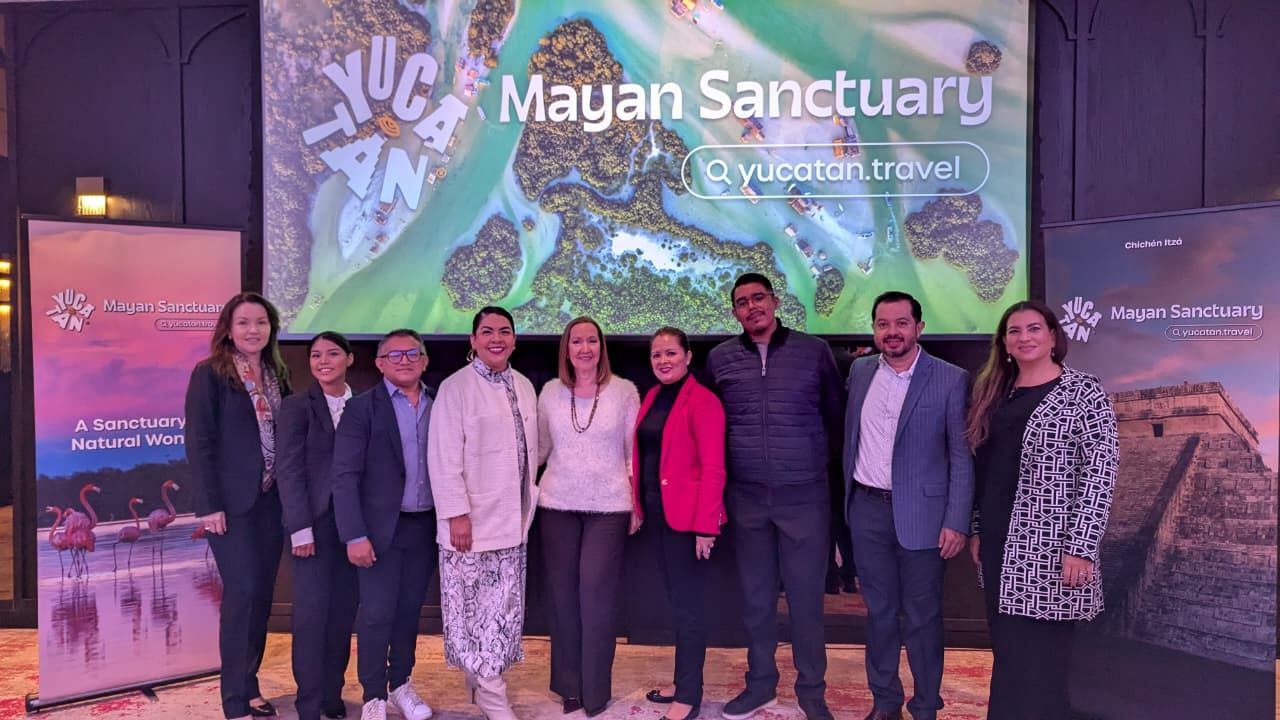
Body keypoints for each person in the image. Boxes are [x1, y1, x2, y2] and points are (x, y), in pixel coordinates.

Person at [965, 300, 1118, 720]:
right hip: (999, 542)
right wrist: (977, 527)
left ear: (1053, 336)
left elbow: (1100, 473)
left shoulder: (1084, 391)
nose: (1024, 337)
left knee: (1044, 660)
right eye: (1014, 331)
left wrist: (1081, 547)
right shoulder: (993, 394)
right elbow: (984, 469)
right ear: (1004, 343)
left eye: (1034, 328)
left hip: (1052, 546)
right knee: (1009, 654)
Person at [706, 273, 844, 720]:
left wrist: (811, 466)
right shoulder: (720, 359)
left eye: (758, 298)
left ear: (775, 301)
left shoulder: (814, 351)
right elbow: (713, 427)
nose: (752, 307)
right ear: (734, 312)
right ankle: (760, 685)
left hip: (804, 497)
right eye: (742, 302)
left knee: (806, 602)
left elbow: (836, 418)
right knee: (756, 600)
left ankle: (811, 692)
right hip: (746, 498)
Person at [842, 291, 974, 720]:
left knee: (922, 617)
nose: (892, 332)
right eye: (883, 324)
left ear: (919, 327)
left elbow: (961, 456)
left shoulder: (950, 379)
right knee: (879, 613)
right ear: (874, 330)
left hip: (925, 517)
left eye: (901, 323)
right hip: (867, 511)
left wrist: (957, 520)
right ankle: (885, 701)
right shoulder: (860, 371)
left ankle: (925, 706)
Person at [427, 307, 539, 720]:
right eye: (487, 331)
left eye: (505, 331)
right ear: (473, 340)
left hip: (512, 522)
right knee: (474, 615)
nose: (497, 338)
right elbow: (442, 455)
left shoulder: (523, 385)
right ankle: (493, 695)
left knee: (502, 613)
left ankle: (483, 681)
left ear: (514, 339)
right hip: (470, 525)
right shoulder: (456, 387)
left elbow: (531, 449)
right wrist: (456, 512)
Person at [185, 291, 291, 720]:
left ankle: (249, 685)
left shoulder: (277, 372)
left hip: (272, 501)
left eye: (261, 322)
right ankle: (233, 700)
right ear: (228, 329)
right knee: (242, 593)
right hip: (229, 506)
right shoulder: (210, 373)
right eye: (244, 322)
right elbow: (199, 442)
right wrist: (209, 504)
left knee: (261, 597)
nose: (253, 330)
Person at [536, 316, 640, 716]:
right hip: (557, 506)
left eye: (591, 341)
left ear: (601, 347)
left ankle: (595, 691)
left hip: (608, 508)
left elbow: (632, 455)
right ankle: (569, 688)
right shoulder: (550, 392)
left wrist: (635, 502)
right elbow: (539, 450)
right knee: (562, 599)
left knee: (596, 599)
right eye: (576, 341)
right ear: (566, 348)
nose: (584, 348)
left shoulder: (624, 392)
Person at [331, 329, 436, 720]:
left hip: (425, 526)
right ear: (379, 363)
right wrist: (354, 534)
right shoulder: (361, 409)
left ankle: (401, 684)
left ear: (425, 360)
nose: (404, 360)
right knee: (376, 613)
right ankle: (373, 695)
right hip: (377, 531)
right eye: (394, 355)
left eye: (412, 353)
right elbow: (344, 476)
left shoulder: (439, 403)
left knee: (410, 610)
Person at [634, 327, 727, 720]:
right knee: (675, 605)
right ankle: (681, 680)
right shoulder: (653, 396)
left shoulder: (703, 401)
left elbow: (714, 468)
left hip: (689, 524)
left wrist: (706, 526)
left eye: (671, 353)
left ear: (688, 356)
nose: (663, 361)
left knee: (689, 610)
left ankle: (689, 695)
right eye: (656, 354)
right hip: (657, 517)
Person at [277, 331, 359, 720]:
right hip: (313, 527)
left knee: (342, 616)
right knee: (311, 618)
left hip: (354, 529)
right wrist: (300, 528)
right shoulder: (297, 407)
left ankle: (331, 695)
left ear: (350, 359)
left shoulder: (364, 406)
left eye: (332, 353)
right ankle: (308, 704)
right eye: (315, 355)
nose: (323, 361)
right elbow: (289, 469)